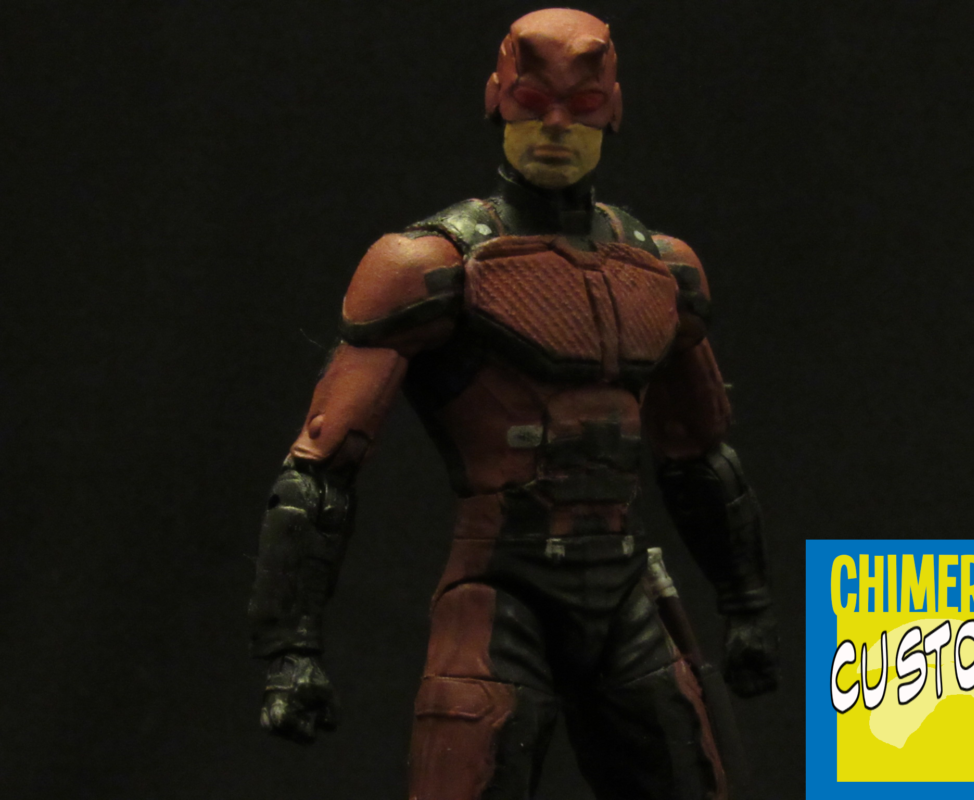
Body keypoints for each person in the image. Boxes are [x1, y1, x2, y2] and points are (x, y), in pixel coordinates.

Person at [248, 9, 777, 799]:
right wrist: (290, 649)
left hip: (624, 591)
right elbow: (321, 467)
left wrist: (746, 604)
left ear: (612, 110)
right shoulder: (431, 267)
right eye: (533, 101)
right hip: (501, 591)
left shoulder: (661, 271)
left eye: (581, 105)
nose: (556, 126)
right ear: (497, 99)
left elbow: (700, 455)